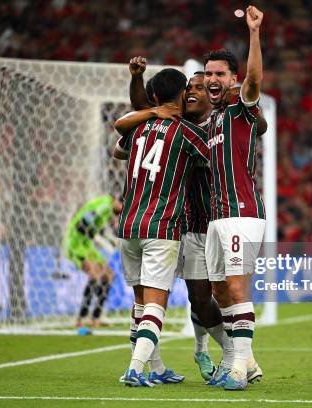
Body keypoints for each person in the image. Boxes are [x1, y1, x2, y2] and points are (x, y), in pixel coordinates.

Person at [123, 57, 266, 384]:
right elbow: (146, 110)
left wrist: (259, 119)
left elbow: (256, 121)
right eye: (189, 87)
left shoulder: (218, 123)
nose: (192, 92)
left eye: (199, 88)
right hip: (185, 225)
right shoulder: (181, 125)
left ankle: (237, 360)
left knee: (221, 293)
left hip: (218, 221)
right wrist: (139, 82)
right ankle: (224, 357)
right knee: (199, 299)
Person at [113, 68, 210, 387]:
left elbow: (118, 150)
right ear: (183, 94)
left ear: (153, 98)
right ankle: (135, 369)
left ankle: (154, 368)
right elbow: (214, 160)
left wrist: (144, 113)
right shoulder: (186, 133)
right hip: (161, 226)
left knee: (140, 303)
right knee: (155, 303)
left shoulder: (137, 129)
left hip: (128, 225)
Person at [202, 5, 265, 391]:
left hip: (242, 213)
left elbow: (255, 77)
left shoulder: (244, 110)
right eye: (208, 74)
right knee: (220, 289)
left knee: (238, 287)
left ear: (233, 79)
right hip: (216, 218)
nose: (212, 79)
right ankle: (250, 363)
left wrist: (254, 33)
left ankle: (238, 368)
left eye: (219, 74)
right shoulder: (211, 122)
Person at [63, 194, 121, 328]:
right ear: (117, 201)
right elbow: (82, 225)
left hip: (87, 244)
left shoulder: (108, 210)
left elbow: (95, 230)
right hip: (76, 243)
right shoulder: (104, 206)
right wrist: (102, 239)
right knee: (94, 274)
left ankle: (96, 317)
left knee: (108, 275)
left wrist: (109, 240)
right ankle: (81, 318)